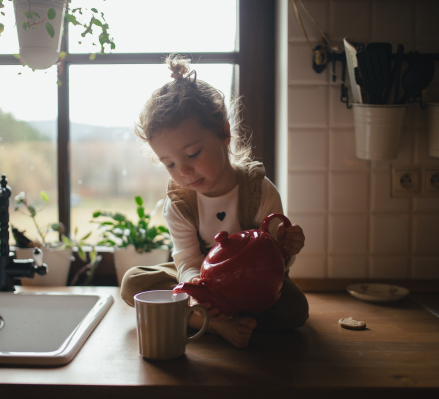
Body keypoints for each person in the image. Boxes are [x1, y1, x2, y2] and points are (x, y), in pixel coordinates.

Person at [121, 54, 308, 348]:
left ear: (224, 132)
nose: (183, 172)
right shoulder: (180, 204)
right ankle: (215, 324)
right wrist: (197, 293)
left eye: (192, 154)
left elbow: (276, 265)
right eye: (169, 164)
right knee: (134, 283)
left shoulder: (259, 191)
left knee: (295, 309)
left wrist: (288, 249)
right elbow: (188, 261)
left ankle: (199, 319)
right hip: (202, 283)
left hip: (251, 283)